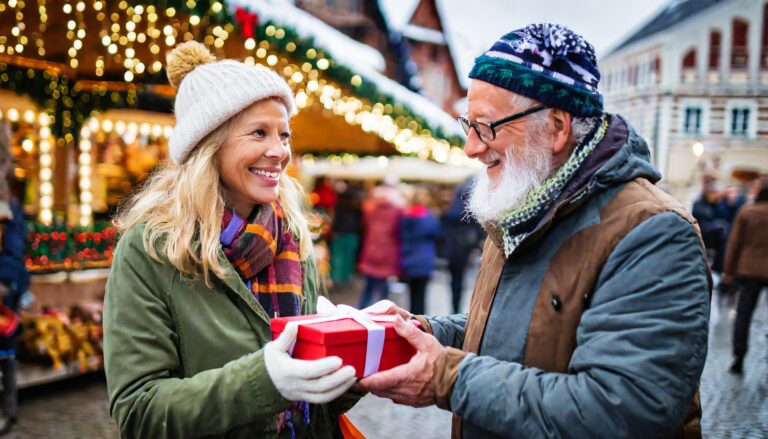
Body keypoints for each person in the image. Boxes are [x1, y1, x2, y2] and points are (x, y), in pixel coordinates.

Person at [358, 24, 711, 438]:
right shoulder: (523, 204)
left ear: (558, 126)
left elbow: (621, 411)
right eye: (466, 124)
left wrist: (448, 377)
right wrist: (422, 333)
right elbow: (518, 328)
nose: (470, 147)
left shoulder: (654, 234)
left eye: (486, 126)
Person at [104, 41, 366, 438]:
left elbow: (316, 405)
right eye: (259, 133)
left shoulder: (292, 235)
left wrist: (354, 358)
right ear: (209, 144)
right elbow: (138, 410)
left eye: (284, 135)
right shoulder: (151, 248)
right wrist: (264, 381)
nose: (279, 151)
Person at [722, 183, 768, 374]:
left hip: (749, 271)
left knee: (743, 315)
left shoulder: (747, 212)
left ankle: (738, 357)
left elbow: (734, 243)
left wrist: (728, 272)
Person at [0, 121, 25, 436]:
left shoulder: (9, 205)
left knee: (4, 345)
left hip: (4, 289)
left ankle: (7, 407)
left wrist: (5, 282)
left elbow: (15, 251)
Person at [357, 181, 403, 308]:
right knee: (383, 292)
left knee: (368, 288)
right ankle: (383, 314)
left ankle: (361, 313)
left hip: (371, 252)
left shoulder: (370, 209)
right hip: (388, 254)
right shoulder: (397, 211)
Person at [441, 177, 483, 313]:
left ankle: (456, 309)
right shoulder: (470, 207)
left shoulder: (454, 208)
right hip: (464, 248)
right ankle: (458, 310)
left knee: (456, 282)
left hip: (455, 249)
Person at [399, 186, 442, 315]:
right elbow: (439, 235)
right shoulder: (430, 218)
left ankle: (410, 318)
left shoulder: (403, 217)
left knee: (410, 294)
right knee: (421, 295)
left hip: (407, 259)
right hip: (424, 260)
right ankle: (419, 323)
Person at [692, 180, 729, 272]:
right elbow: (701, 217)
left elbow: (724, 217)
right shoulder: (700, 203)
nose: (717, 195)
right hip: (702, 236)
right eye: (715, 193)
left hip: (715, 239)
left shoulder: (718, 204)